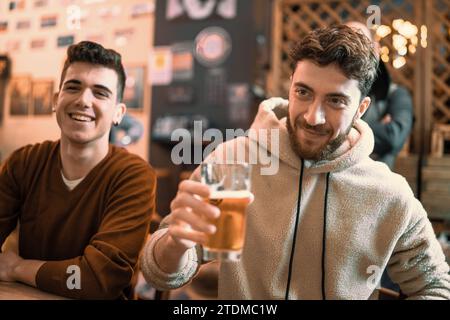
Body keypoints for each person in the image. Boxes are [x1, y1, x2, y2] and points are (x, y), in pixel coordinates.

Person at [140, 25, 450, 299]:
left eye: (336, 100)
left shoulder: (389, 193)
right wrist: (177, 242)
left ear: (361, 108)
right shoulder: (232, 158)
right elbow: (159, 274)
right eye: (303, 92)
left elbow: (435, 287)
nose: (313, 116)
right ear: (290, 86)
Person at [0, 41, 156, 299]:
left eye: (100, 93)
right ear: (55, 100)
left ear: (118, 113)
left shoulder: (134, 176)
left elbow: (99, 280)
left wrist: (16, 267)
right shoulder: (24, 161)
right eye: (73, 87)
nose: (84, 100)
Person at [346, 21, 414, 170]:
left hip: (375, 184)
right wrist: (374, 128)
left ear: (376, 49)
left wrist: (341, 132)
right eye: (345, 40)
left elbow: (393, 137)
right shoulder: (328, 90)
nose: (351, 49)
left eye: (360, 42)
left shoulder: (396, 94)